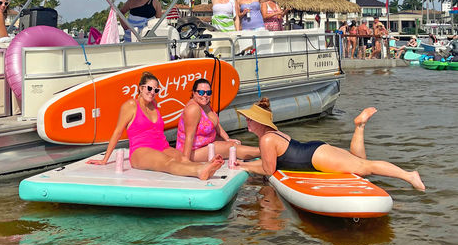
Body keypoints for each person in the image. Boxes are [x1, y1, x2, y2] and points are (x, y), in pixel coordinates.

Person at [234, 98, 425, 191]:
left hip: (317, 157)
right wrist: (244, 165)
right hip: (316, 150)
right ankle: (359, 126)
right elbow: (269, 163)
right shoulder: (273, 134)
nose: (247, 122)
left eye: (250, 119)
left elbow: (268, 169)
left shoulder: (266, 139)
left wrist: (244, 166)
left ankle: (409, 176)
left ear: (260, 122)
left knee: (365, 167)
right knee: (359, 161)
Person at [88, 71, 225, 180]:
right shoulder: (131, 105)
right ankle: (199, 171)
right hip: (141, 150)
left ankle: (206, 166)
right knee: (168, 162)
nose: (152, 92)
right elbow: (117, 132)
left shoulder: (155, 105)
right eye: (149, 88)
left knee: (182, 158)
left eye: (156, 90)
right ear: (141, 88)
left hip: (162, 146)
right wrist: (105, 159)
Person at [176, 78, 260, 161]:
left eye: (208, 93)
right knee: (231, 147)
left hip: (206, 145)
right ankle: (262, 152)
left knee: (234, 143)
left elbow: (217, 125)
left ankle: (261, 152)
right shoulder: (193, 109)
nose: (205, 95)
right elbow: (189, 137)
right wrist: (185, 161)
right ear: (194, 93)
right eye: (201, 92)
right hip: (192, 152)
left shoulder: (205, 105)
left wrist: (227, 139)